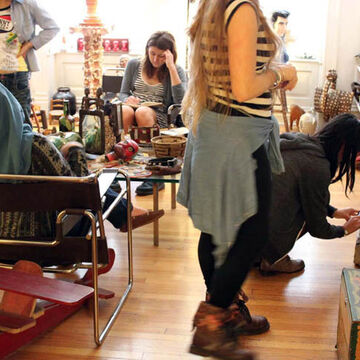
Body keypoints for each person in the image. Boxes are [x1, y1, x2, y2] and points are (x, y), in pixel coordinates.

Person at [177, 1, 298, 359]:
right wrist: (282, 74)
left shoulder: (219, 5)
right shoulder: (241, 8)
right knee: (253, 231)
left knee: (216, 230)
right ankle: (212, 326)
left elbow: (235, 74)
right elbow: (245, 87)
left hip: (220, 129)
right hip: (237, 136)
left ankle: (223, 313)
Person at [0, 82, 164, 264]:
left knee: (87, 188)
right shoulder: (35, 147)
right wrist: (75, 150)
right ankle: (124, 214)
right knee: (91, 191)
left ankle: (125, 213)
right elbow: (77, 195)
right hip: (45, 244)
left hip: (3, 247)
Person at [260, 113, 360, 274]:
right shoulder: (317, 166)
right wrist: (344, 230)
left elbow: (305, 192)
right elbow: (317, 227)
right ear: (343, 146)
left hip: (245, 226)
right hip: (264, 229)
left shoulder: (298, 140)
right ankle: (273, 259)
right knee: (307, 213)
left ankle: (256, 254)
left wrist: (334, 212)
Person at [119, 31, 187, 196]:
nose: (156, 60)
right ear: (147, 50)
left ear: (170, 54)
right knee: (124, 111)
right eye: (152, 54)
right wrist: (128, 99)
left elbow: (181, 100)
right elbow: (122, 93)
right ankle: (121, 165)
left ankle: (153, 170)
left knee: (142, 113)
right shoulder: (134, 64)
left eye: (161, 56)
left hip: (159, 114)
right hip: (134, 107)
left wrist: (171, 67)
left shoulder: (176, 69)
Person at [0, 0, 59, 124]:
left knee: (21, 123)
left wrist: (29, 45)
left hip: (17, 75)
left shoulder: (27, 4)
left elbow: (52, 28)